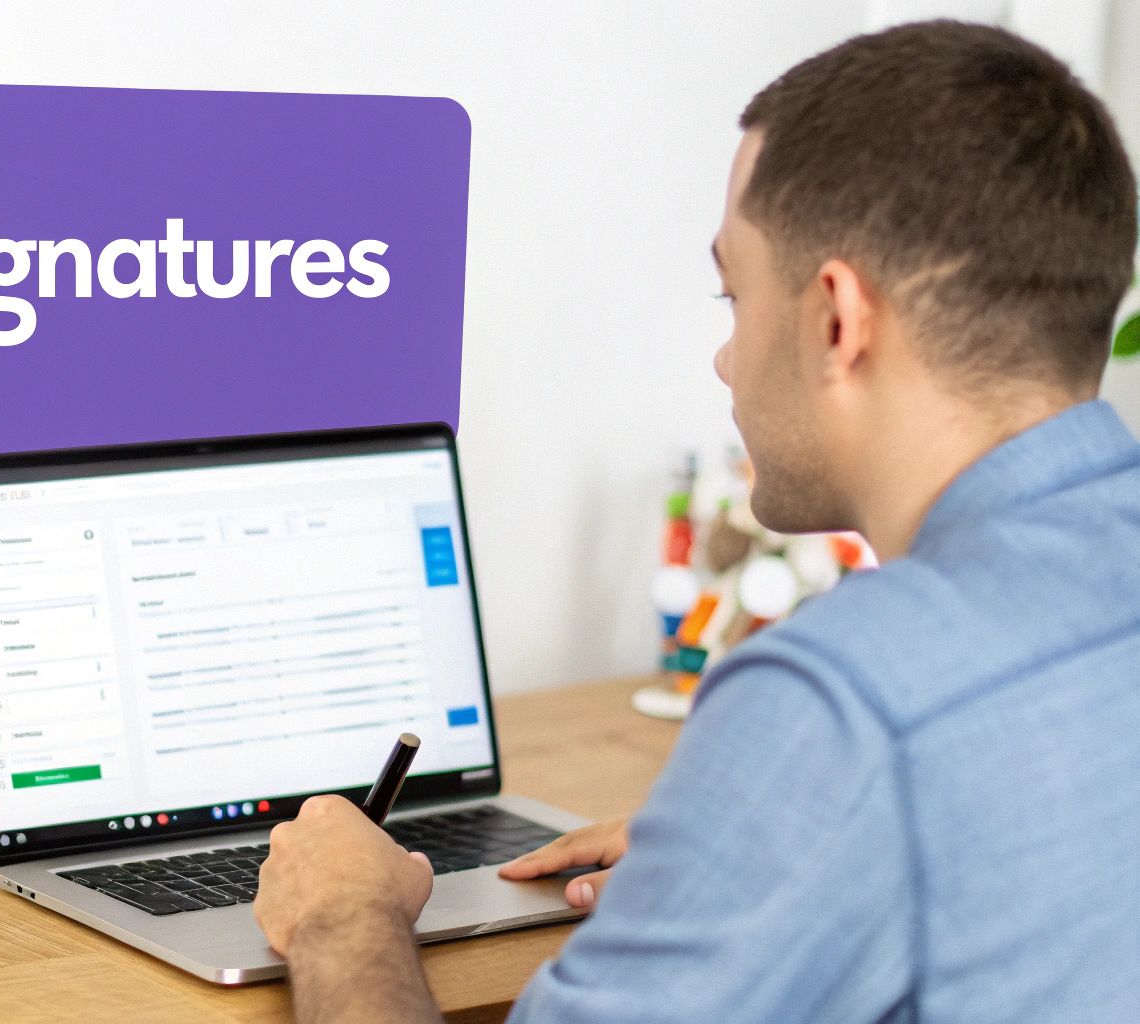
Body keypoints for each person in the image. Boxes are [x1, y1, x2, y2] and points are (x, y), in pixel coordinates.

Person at [253, 19, 1140, 1024]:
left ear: (835, 321)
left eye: (732, 293)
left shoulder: (839, 706)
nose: (724, 359)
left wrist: (342, 912)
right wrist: (754, 839)